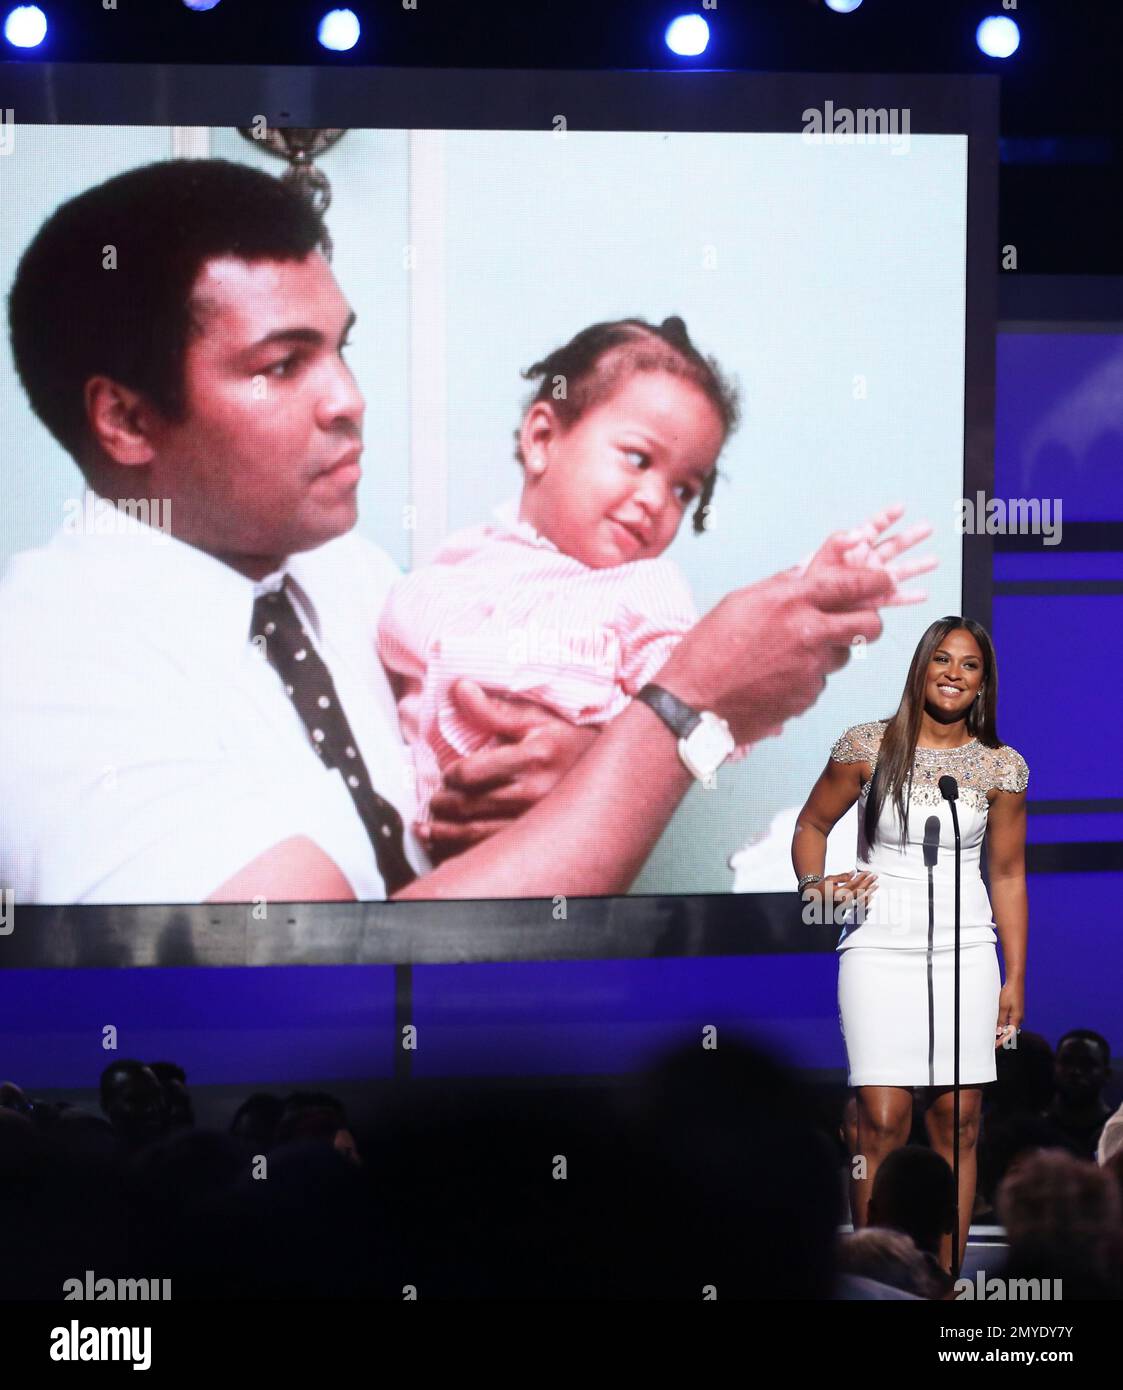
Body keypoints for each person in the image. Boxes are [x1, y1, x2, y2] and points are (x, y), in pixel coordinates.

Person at [2, 156, 930, 906]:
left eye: (342, 349)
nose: (349, 403)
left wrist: (579, 767)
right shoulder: (44, 657)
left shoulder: (349, 574)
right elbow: (323, 986)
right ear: (125, 420)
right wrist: (680, 714)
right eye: (282, 365)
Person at [378, 314, 757, 835]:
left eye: (682, 491)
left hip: (549, 856)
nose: (655, 500)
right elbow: (401, 640)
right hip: (420, 851)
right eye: (638, 458)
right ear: (541, 439)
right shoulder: (462, 563)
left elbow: (698, 695)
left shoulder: (646, 589)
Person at [792, 617, 1029, 1275]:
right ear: (921, 668)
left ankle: (939, 1281)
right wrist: (817, 886)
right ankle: (874, 1277)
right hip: (876, 944)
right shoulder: (867, 745)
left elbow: (1007, 875)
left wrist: (1014, 978)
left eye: (969, 665)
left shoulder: (999, 767)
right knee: (880, 1117)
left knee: (958, 1119)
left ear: (982, 681)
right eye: (942, 660)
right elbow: (811, 823)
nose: (954, 673)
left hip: (965, 948)